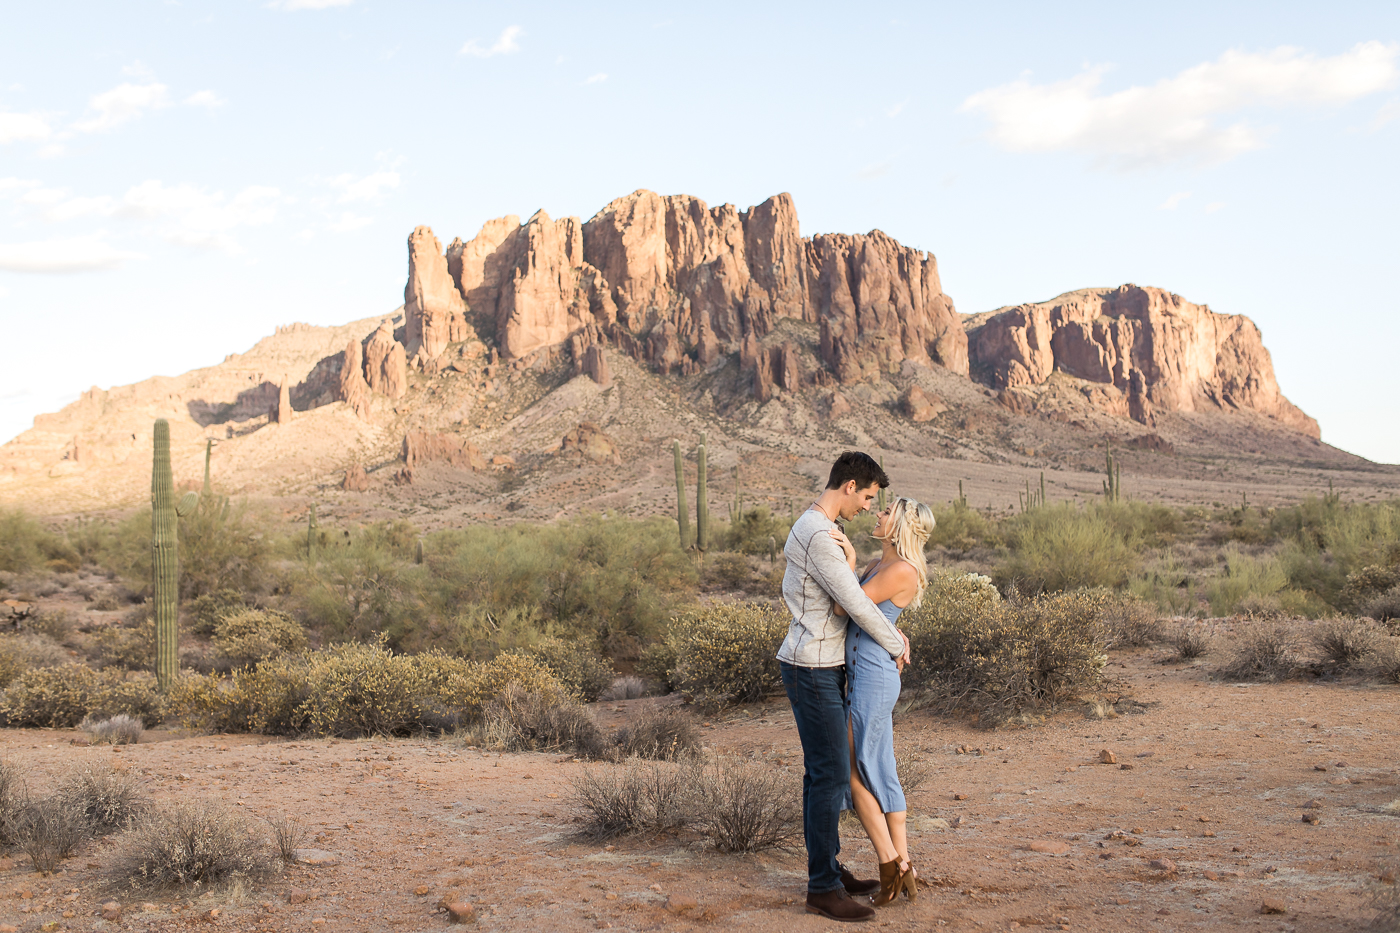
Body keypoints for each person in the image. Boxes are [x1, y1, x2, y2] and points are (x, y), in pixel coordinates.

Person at [777, 451, 910, 923]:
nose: (870, 508)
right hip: (811, 668)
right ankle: (822, 889)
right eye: (869, 497)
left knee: (826, 775)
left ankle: (829, 871)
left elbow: (850, 594)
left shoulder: (824, 532)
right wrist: (894, 641)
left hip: (822, 666)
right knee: (830, 775)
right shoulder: (817, 533)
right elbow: (853, 601)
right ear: (849, 485)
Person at [830, 496, 935, 906]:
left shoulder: (901, 570)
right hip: (865, 675)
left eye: (887, 510)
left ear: (901, 525)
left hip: (873, 678)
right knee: (877, 768)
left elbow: (845, 605)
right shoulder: (881, 566)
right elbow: (864, 608)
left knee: (852, 770)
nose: (878, 513)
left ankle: (891, 864)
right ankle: (903, 865)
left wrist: (848, 558)